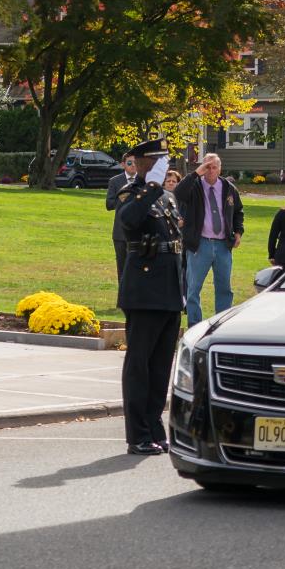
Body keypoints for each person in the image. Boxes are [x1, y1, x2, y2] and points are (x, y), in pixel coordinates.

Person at [116, 138, 184, 456]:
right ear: (141, 162)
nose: (162, 164)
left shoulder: (166, 198)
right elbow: (128, 222)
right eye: (156, 159)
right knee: (139, 365)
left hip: (169, 291)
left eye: (164, 159)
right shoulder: (134, 194)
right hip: (143, 292)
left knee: (160, 367)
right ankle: (138, 433)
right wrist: (152, 186)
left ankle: (155, 426)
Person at [174, 153, 243, 326]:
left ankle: (221, 325)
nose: (210, 171)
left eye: (214, 167)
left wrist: (238, 232)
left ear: (220, 168)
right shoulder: (194, 186)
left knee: (224, 289)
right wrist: (197, 173)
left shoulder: (229, 188)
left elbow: (238, 212)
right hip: (200, 244)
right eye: (207, 167)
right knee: (193, 288)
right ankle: (194, 324)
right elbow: (179, 193)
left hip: (222, 245)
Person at [106, 153, 137, 281]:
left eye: (136, 163)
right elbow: (109, 204)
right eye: (130, 163)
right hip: (120, 232)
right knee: (122, 267)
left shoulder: (144, 180)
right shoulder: (115, 181)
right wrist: (122, 196)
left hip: (138, 231)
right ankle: (123, 297)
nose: (133, 166)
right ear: (123, 164)